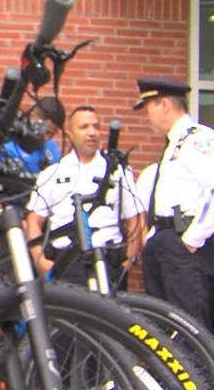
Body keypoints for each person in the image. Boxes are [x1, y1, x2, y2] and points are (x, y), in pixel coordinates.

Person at [135, 77, 214, 334]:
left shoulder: (199, 139)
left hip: (183, 241)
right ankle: (167, 377)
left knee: (189, 329)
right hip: (166, 239)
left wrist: (192, 239)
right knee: (163, 328)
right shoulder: (173, 145)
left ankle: (195, 376)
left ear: (165, 104)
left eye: (148, 108)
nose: (146, 117)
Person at [25, 105, 142, 289]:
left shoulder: (118, 172)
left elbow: (134, 220)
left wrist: (129, 261)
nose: (91, 132)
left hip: (108, 263)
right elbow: (33, 222)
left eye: (96, 127)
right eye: (84, 127)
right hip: (66, 264)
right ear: (70, 133)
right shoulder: (52, 173)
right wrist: (40, 260)